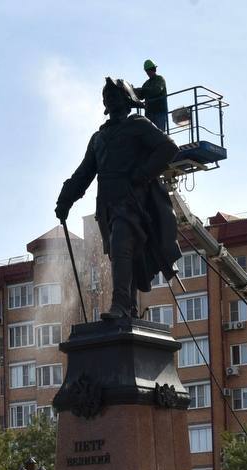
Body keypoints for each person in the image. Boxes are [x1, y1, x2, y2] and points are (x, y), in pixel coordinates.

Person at [55, 77, 181, 320]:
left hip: (133, 202)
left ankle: (120, 306)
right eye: (107, 95)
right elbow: (84, 173)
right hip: (107, 207)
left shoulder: (139, 125)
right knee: (123, 254)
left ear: (127, 99)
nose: (110, 98)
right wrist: (65, 200)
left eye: (115, 94)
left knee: (122, 246)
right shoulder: (99, 138)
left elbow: (168, 148)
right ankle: (129, 308)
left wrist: (142, 173)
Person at [135, 59, 168, 132]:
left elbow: (157, 90)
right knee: (150, 135)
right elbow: (140, 96)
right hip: (149, 114)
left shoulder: (160, 79)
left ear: (153, 69)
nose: (148, 73)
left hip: (159, 112)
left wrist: (143, 90)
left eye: (149, 70)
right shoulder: (146, 83)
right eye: (147, 71)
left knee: (160, 134)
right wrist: (134, 91)